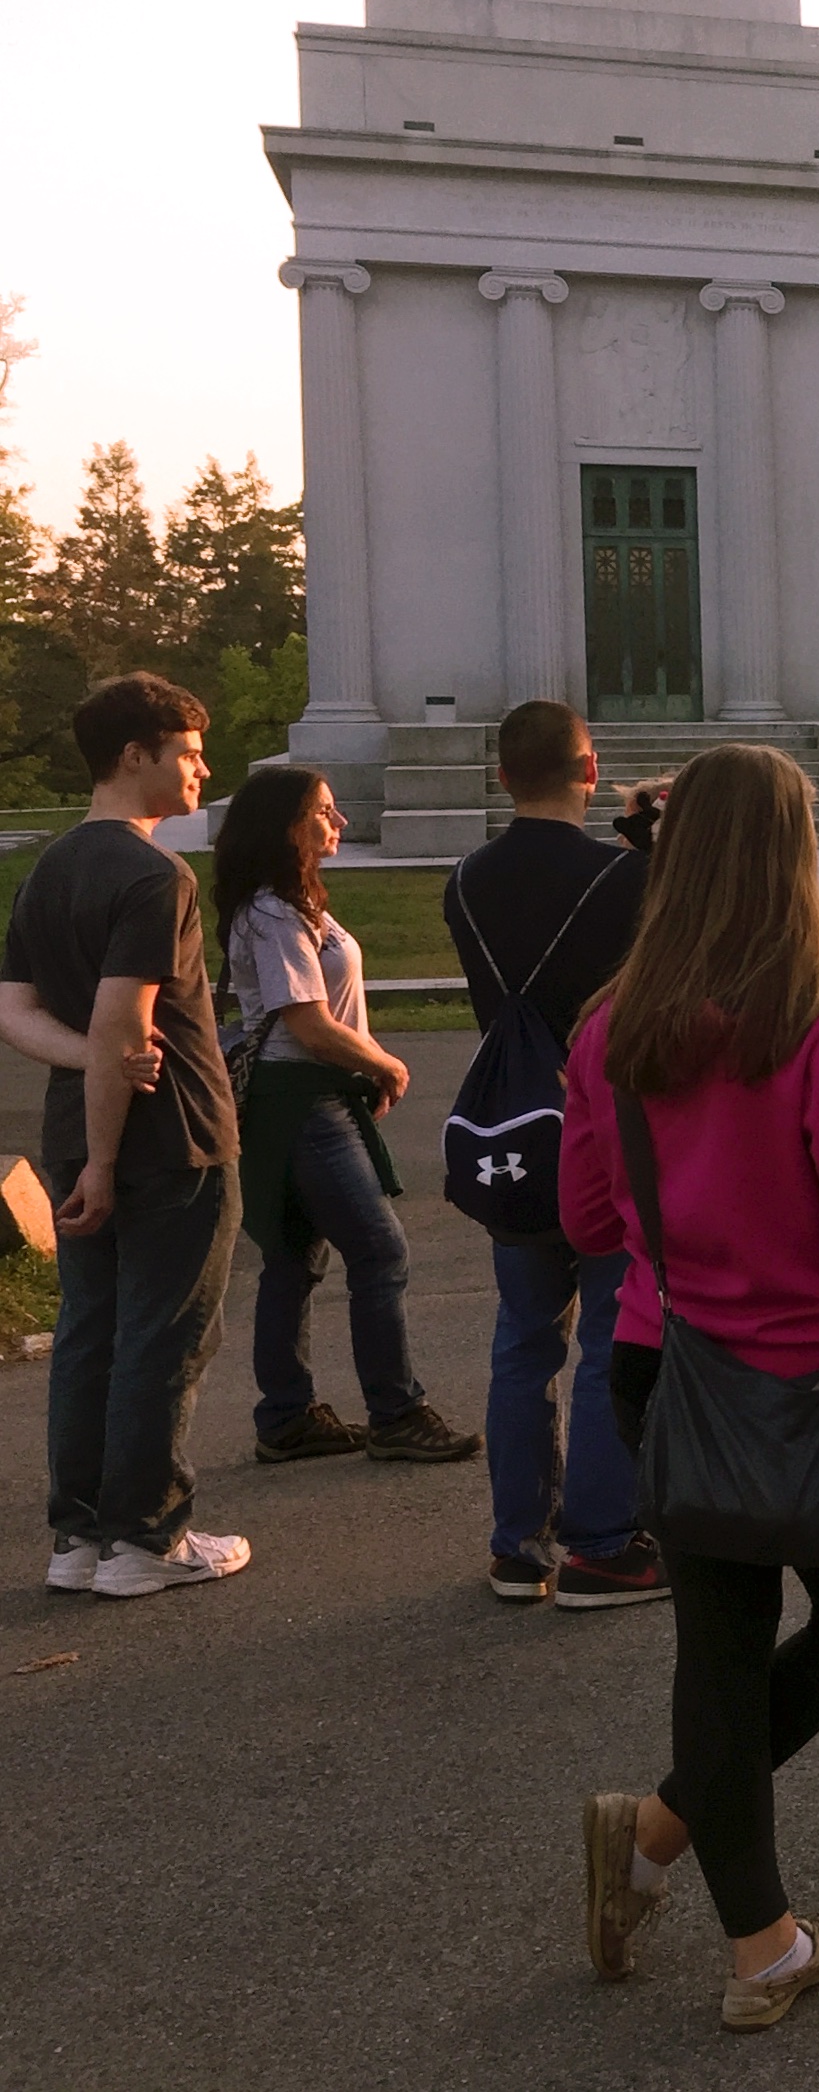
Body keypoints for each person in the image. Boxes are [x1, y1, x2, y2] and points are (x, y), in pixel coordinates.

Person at [562, 743, 819, 2029]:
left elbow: (591, 1215)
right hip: (812, 1368)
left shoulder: (614, 1027)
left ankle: (667, 1838)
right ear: (790, 858)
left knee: (716, 1645)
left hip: (667, 1361)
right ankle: (743, 1925)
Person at [0, 676, 244, 1599]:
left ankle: (79, 1540)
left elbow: (13, 1009)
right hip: (168, 1143)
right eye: (186, 751)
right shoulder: (155, 875)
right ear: (134, 756)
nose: (201, 768)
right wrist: (105, 1149)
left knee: (90, 1335)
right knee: (164, 1339)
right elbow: (124, 1022)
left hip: (78, 1135)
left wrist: (89, 1071)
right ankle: (148, 1541)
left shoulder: (50, 869)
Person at [443, 700, 658, 1606]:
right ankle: (605, 1542)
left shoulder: (463, 881)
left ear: (502, 776)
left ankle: (517, 1541)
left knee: (523, 1343)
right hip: (603, 1125)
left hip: (514, 1132)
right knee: (610, 1336)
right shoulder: (627, 880)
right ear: (590, 768)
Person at [217, 768, 476, 1466]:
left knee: (295, 1256)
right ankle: (395, 1412)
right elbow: (307, 1023)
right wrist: (382, 1063)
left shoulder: (296, 906)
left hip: (308, 1094)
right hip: (301, 1098)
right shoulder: (273, 913)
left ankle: (287, 1416)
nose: (339, 825)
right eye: (324, 814)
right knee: (378, 1249)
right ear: (286, 826)